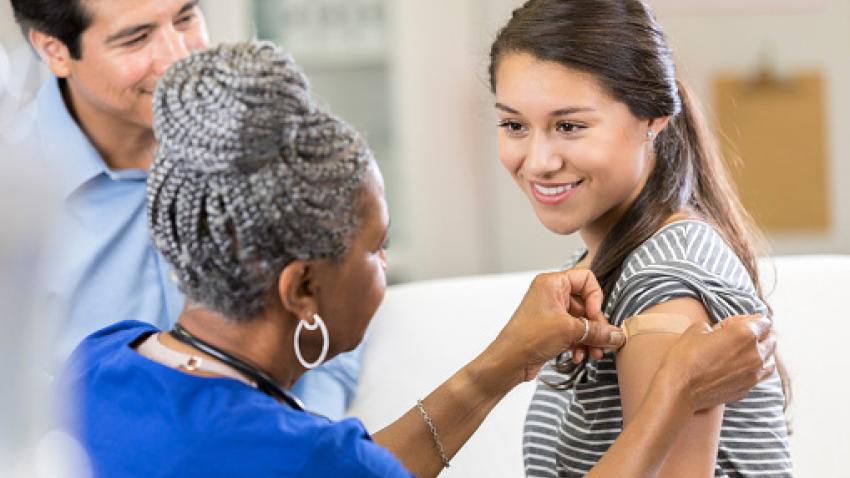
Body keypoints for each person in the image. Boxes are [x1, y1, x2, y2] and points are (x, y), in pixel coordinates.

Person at [58, 41, 779, 478]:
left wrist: (502, 362)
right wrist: (673, 394)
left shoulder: (102, 358)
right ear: (302, 289)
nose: (385, 267)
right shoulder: (305, 457)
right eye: (376, 249)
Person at [6, 0, 360, 418]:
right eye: (136, 38)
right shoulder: (15, 200)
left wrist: (300, 435)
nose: (179, 57)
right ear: (54, 51)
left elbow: (330, 303)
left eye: (186, 17)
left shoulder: (254, 132)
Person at [487, 1, 792, 476]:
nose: (539, 160)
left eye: (569, 126)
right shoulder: (605, 261)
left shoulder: (663, 280)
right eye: (514, 125)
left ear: (653, 118)